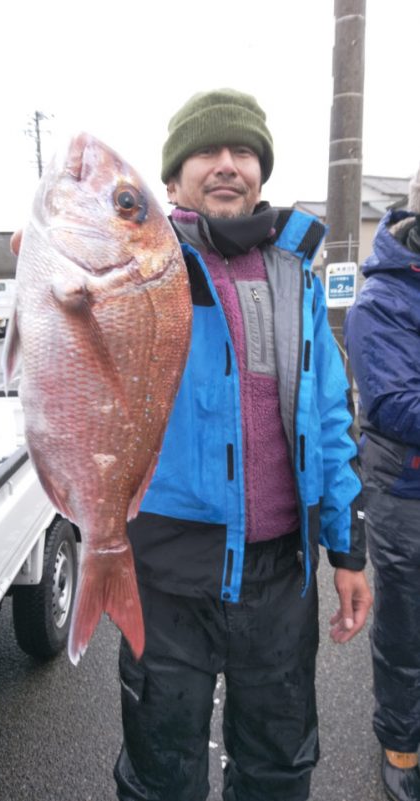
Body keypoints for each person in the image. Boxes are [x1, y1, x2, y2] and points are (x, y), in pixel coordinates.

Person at [111, 88, 372, 801]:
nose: (228, 164)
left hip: (280, 574)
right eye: (208, 151)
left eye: (244, 152)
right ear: (173, 178)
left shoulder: (296, 273)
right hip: (165, 569)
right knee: (162, 774)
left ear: (261, 170)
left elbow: (328, 415)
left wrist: (346, 548)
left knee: (278, 769)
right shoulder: (137, 262)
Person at [344, 164, 420, 801]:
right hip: (405, 491)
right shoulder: (383, 300)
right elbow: (394, 405)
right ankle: (401, 739)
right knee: (405, 625)